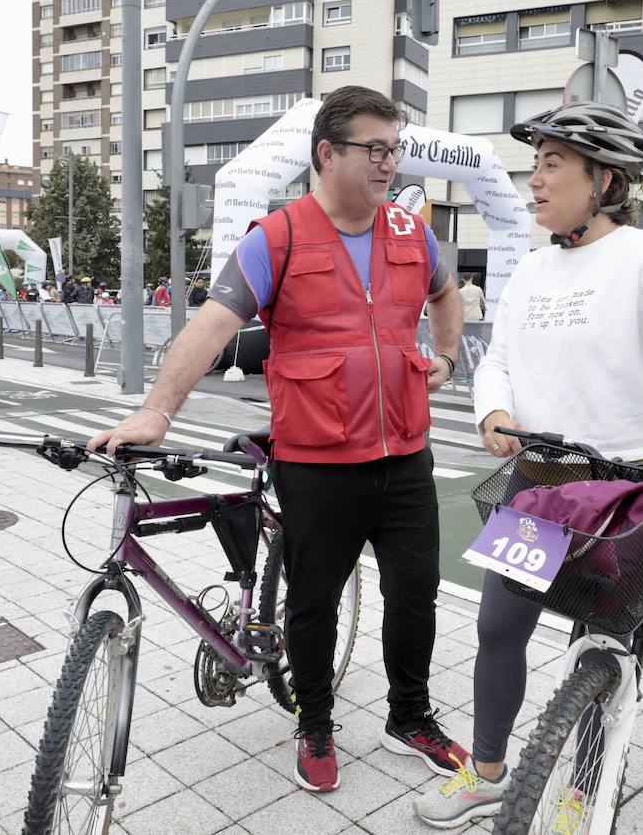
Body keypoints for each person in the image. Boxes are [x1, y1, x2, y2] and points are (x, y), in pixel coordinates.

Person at [89, 86, 468, 794]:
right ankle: (315, 725)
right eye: (375, 149)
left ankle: (409, 717)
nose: (390, 163)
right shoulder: (279, 238)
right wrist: (157, 414)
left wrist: (443, 361)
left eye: (396, 149)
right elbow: (210, 325)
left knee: (416, 594)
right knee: (313, 603)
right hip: (318, 462)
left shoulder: (411, 235)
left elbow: (448, 295)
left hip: (406, 455)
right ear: (328, 153)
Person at [412, 101, 643, 828]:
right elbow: (504, 358)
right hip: (541, 482)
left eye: (552, 164)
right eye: (535, 164)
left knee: (603, 649)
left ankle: (581, 793)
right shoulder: (534, 268)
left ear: (604, 179)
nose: (535, 181)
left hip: (626, 491)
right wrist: (493, 411)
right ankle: (488, 771)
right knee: (498, 628)